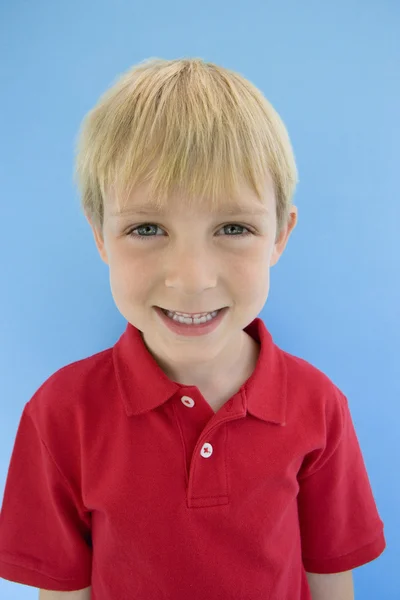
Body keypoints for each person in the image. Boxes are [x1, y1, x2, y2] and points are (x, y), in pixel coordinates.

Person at [0, 57, 385, 600]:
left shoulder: (319, 407)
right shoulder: (60, 414)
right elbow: (63, 590)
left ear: (280, 234)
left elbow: (331, 583)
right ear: (100, 236)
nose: (192, 279)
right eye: (147, 228)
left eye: (233, 227)